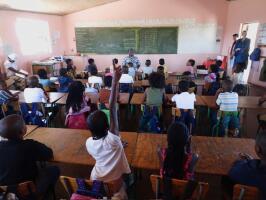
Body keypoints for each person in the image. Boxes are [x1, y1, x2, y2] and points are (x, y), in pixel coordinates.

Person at [86, 65, 131, 199]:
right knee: (128, 179)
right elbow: (112, 109)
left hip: (96, 180)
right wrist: (115, 82)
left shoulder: (89, 142)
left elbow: (104, 148)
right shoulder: (113, 140)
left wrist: (119, 145)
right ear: (107, 128)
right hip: (114, 184)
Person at [0, 114, 60, 197]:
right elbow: (49, 154)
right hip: (28, 192)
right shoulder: (30, 145)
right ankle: (45, 196)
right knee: (53, 169)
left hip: (5, 193)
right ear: (23, 131)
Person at [228, 131, 266, 199]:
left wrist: (245, 162)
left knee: (226, 180)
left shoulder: (252, 171)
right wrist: (252, 161)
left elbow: (233, 172)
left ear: (258, 149)